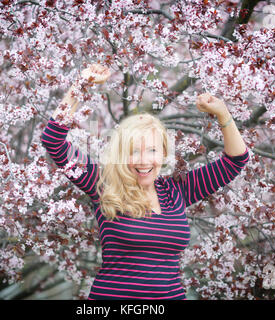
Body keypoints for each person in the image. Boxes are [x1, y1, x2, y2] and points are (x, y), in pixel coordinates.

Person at [41, 63, 250, 300]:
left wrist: (223, 114)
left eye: (151, 150)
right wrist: (82, 84)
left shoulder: (176, 191)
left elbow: (236, 160)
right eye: (133, 151)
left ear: (162, 154)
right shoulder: (103, 184)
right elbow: (53, 142)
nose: (143, 161)